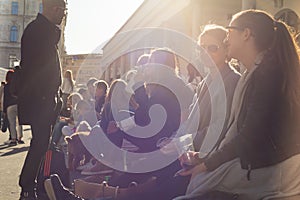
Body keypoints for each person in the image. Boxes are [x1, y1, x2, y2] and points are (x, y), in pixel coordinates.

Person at [174, 9, 300, 200]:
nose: (226, 39)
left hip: (277, 170)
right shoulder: (255, 73)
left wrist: (207, 164)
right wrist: (204, 158)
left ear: (246, 34)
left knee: (198, 182)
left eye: (229, 31)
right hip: (260, 162)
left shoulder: (268, 75)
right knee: (198, 180)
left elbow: (248, 135)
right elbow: (237, 131)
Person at [17, 0, 67, 199]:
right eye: (63, 10)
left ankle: (33, 184)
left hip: (46, 99)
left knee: (42, 142)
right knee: (40, 143)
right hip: (41, 100)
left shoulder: (43, 30)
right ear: (55, 9)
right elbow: (34, 68)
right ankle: (28, 186)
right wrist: (47, 96)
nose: (63, 14)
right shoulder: (38, 31)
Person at [192, 24, 240, 151]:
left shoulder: (233, 81)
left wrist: (185, 141)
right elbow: (193, 119)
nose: (205, 53)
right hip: (194, 150)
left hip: (214, 155)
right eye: (202, 48)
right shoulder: (204, 82)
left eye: (212, 48)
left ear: (226, 49)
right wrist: (176, 139)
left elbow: (222, 126)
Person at [3, 70, 23, 146]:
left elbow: (5, 98)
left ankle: (13, 139)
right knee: (20, 121)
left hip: (10, 106)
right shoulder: (19, 85)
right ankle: (20, 137)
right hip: (18, 105)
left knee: (12, 123)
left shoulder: (7, 86)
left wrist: (4, 110)